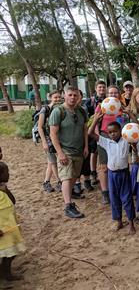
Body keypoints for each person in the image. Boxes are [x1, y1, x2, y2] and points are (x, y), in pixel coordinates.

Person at [89, 113, 136, 234]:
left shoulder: (126, 140)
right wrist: (95, 120)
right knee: (114, 198)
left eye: (115, 131)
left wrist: (132, 115)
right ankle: (119, 221)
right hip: (112, 175)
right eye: (110, 132)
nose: (112, 134)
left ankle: (131, 223)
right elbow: (90, 134)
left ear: (120, 131)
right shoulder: (106, 142)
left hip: (124, 174)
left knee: (127, 198)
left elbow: (138, 128)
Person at [49, 86, 88, 219]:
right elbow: (53, 133)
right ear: (64, 96)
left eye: (75, 95)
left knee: (73, 176)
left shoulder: (81, 111)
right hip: (65, 150)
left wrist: (86, 146)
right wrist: (60, 153)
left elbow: (84, 130)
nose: (72, 98)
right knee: (66, 176)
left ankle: (69, 197)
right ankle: (68, 205)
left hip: (79, 150)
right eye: (70, 95)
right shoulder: (58, 111)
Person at [95, 85, 128, 204]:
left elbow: (126, 122)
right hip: (104, 136)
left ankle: (118, 191)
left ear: (119, 94)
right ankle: (105, 192)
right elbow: (95, 122)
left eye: (115, 93)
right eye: (111, 93)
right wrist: (98, 137)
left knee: (118, 163)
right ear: (107, 94)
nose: (113, 95)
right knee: (104, 166)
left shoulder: (121, 107)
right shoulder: (101, 106)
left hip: (120, 138)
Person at [0, 162, 26, 281]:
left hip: (9, 228)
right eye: (7, 172)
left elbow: (13, 201)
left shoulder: (3, 188)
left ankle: (5, 272)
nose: (9, 174)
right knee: (7, 253)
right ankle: (6, 274)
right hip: (2, 231)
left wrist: (5, 190)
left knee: (11, 253)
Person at [38, 90, 62, 193]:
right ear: (50, 98)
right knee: (53, 161)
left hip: (56, 137)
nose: (57, 99)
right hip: (48, 139)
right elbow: (40, 127)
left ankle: (46, 182)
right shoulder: (45, 109)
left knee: (50, 162)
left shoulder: (59, 109)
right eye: (55, 97)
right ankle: (59, 181)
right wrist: (44, 142)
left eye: (59, 97)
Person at [85, 80, 107, 187]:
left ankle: (103, 171)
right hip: (93, 128)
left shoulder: (108, 100)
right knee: (93, 151)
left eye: (103, 87)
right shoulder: (91, 101)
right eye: (100, 87)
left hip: (105, 128)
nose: (102, 89)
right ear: (96, 88)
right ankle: (93, 173)